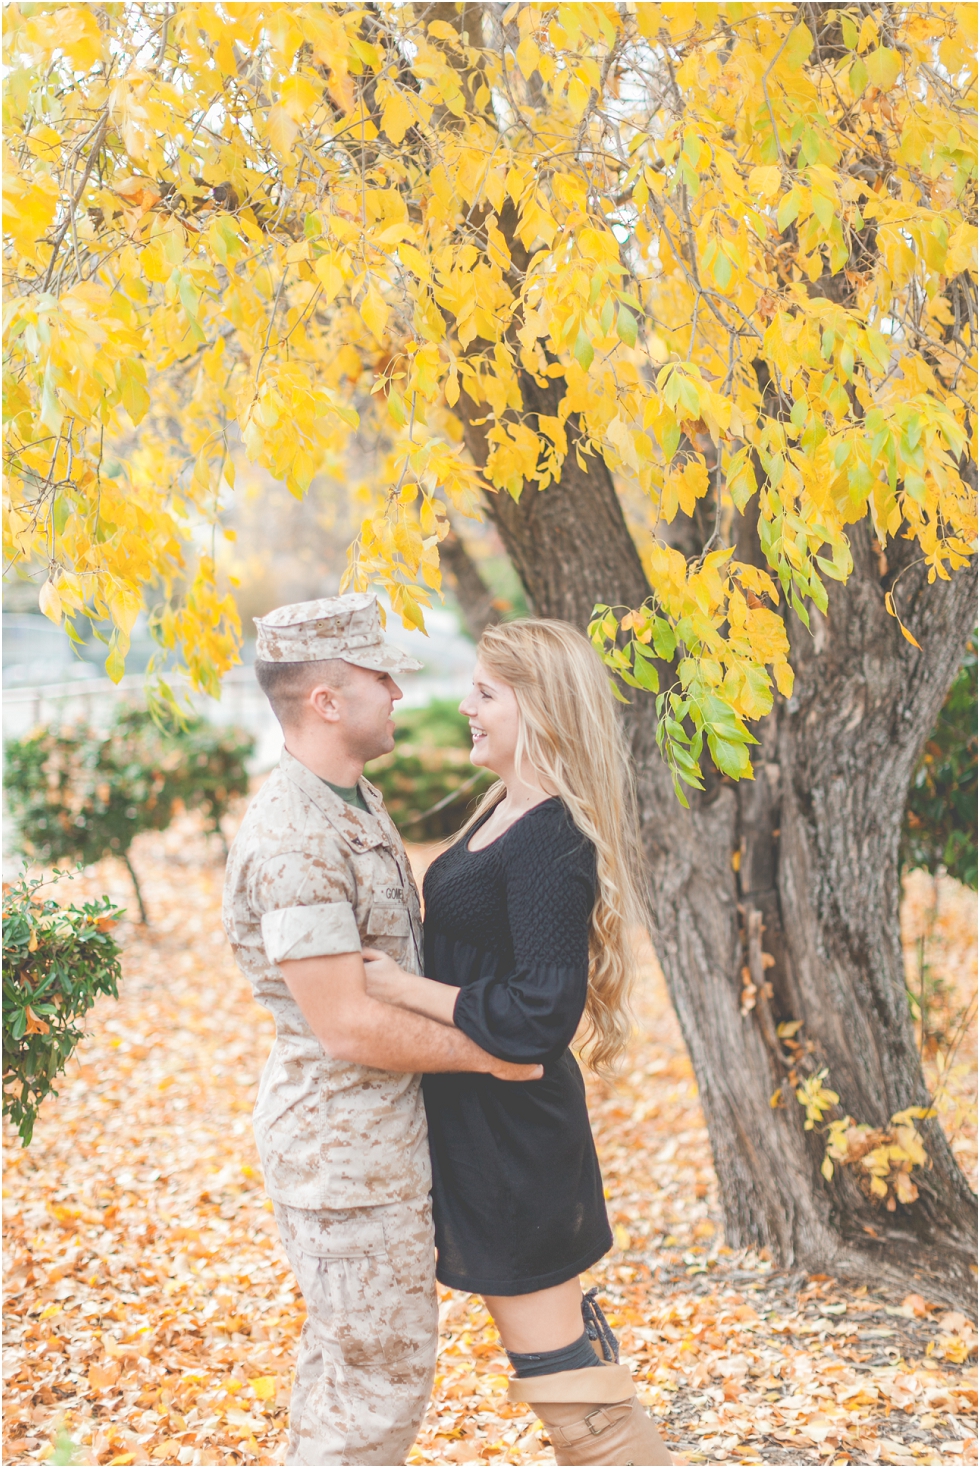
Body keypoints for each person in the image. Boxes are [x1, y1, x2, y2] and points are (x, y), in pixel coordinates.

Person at [222, 593, 542, 1468]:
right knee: (377, 1390)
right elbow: (348, 1024)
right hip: (344, 1157)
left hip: (375, 1142)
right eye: (376, 675)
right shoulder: (295, 835)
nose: (398, 690)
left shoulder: (350, 799)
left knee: (348, 1373)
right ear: (326, 700)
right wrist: (496, 1051)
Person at [362, 618, 673, 1466]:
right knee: (566, 1362)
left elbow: (543, 1010)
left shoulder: (548, 835)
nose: (465, 706)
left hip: (513, 1136)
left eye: (486, 693)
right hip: (482, 1122)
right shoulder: (502, 809)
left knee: (573, 1391)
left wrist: (399, 989)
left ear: (541, 709)